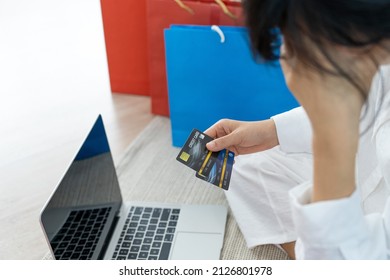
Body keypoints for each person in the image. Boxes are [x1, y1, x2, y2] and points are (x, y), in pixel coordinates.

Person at [204, 0, 390, 259]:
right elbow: (368, 98)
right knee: (242, 162)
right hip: (365, 179)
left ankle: (311, 253)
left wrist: (329, 136)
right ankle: (315, 247)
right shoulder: (378, 53)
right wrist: (271, 130)